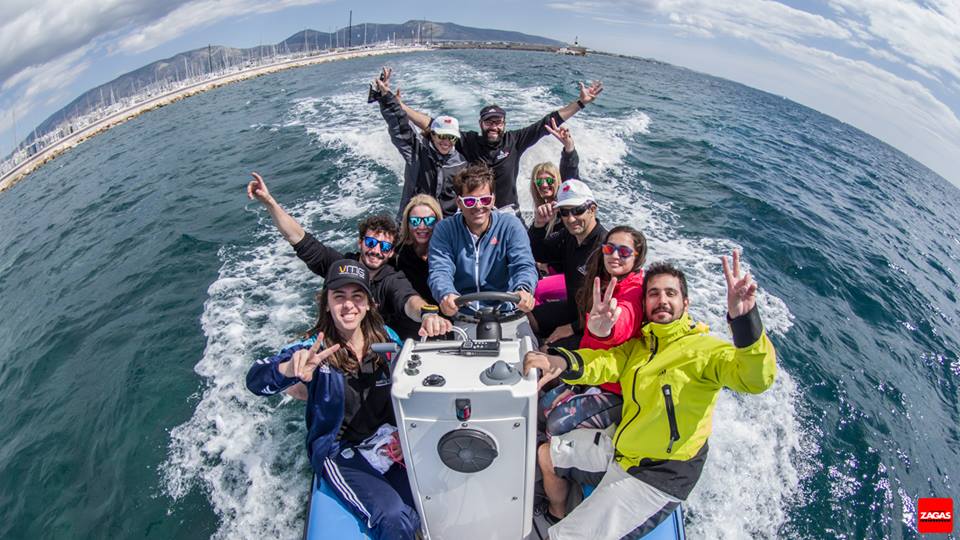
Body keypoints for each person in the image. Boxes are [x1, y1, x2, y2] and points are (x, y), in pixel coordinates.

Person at [523, 251, 777, 538]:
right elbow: (603, 363)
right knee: (546, 455)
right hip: (623, 449)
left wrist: (745, 321)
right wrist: (560, 362)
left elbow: (755, 380)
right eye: (654, 294)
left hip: (659, 474)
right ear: (645, 303)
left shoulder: (705, 351)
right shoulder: (641, 347)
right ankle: (556, 513)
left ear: (686, 303)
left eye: (671, 293)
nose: (662, 300)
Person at [246, 260, 445, 540]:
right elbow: (256, 380)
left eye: (357, 296)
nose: (348, 305)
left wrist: (404, 434)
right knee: (392, 517)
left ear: (369, 304)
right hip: (339, 450)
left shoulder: (387, 340)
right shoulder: (312, 348)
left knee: (431, 503)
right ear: (326, 303)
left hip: (388, 439)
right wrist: (288, 369)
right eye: (339, 296)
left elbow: (409, 389)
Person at [246, 172, 448, 340]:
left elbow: (408, 299)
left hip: (374, 343)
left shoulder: (392, 278)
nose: (376, 251)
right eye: (371, 243)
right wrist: (269, 202)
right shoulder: (340, 266)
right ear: (360, 243)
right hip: (334, 338)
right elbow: (299, 238)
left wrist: (426, 313)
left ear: (391, 252)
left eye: (385, 246)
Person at [398, 81, 603, 211]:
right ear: (481, 124)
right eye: (489, 122)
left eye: (498, 122)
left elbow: (548, 122)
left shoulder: (515, 141)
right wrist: (399, 106)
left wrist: (580, 103)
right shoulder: (469, 141)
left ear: (504, 124)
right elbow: (432, 124)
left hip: (507, 213)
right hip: (475, 210)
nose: (494, 127)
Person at [540, 225, 648, 437]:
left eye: (624, 251)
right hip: (591, 373)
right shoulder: (605, 282)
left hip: (616, 389)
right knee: (542, 406)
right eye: (609, 249)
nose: (614, 255)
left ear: (637, 257)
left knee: (555, 424)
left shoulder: (634, 291)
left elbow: (625, 319)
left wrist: (606, 330)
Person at [427, 163, 538, 317]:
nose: (478, 206)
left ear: (493, 200)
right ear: (459, 203)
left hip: (507, 312)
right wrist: (446, 294)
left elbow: (523, 265)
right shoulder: (445, 230)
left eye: (485, 200)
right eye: (470, 201)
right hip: (463, 315)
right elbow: (440, 269)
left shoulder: (510, 226)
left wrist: (523, 289)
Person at [371, 67, 466, 219]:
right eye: (442, 136)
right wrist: (386, 97)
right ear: (432, 134)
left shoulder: (462, 163)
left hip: (446, 226)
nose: (446, 142)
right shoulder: (417, 152)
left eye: (451, 137)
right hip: (414, 222)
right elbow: (399, 127)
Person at [528, 180, 606, 349]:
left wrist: (572, 328)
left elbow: (608, 310)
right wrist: (539, 225)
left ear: (592, 209)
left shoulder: (605, 249)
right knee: (526, 318)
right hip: (572, 310)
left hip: (593, 325)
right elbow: (538, 253)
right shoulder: (569, 236)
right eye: (564, 212)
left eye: (578, 210)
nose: (571, 219)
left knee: (543, 353)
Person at [395, 194, 442, 304]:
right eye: (415, 221)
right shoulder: (397, 256)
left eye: (429, 221)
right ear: (407, 224)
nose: (422, 226)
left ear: (437, 222)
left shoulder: (447, 253)